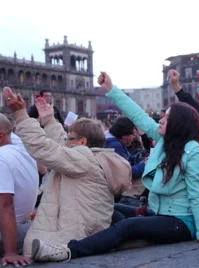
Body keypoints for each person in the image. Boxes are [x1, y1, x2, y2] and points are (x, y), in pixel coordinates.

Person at [28, 72, 199, 263]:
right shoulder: (165, 141)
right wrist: (112, 90)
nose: (162, 119)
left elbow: (196, 194)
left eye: (167, 117)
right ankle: (111, 240)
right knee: (107, 208)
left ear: (179, 124)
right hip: (157, 213)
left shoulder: (194, 152)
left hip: (181, 222)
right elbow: (138, 115)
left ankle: (68, 250)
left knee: (128, 226)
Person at [2, 87, 132, 259]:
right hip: (86, 230)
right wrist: (49, 120)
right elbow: (60, 145)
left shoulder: (83, 158)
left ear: (82, 142)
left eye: (70, 137)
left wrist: (20, 115)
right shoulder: (94, 157)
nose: (65, 140)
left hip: (69, 236)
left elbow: (45, 148)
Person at [0, 113, 38, 267]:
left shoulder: (1, 159)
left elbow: (5, 206)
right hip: (24, 226)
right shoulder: (20, 146)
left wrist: (10, 252)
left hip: (6, 236)